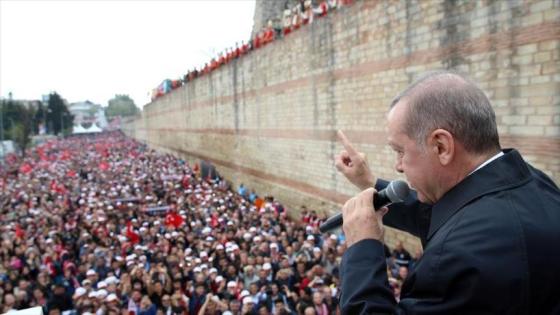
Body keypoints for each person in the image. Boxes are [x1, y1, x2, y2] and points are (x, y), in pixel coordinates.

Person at [335, 71, 560, 314]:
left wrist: (362, 248)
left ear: (441, 146)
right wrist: (369, 182)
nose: (398, 166)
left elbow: (459, 232)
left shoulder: (454, 258)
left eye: (400, 151)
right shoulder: (532, 181)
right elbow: (444, 216)